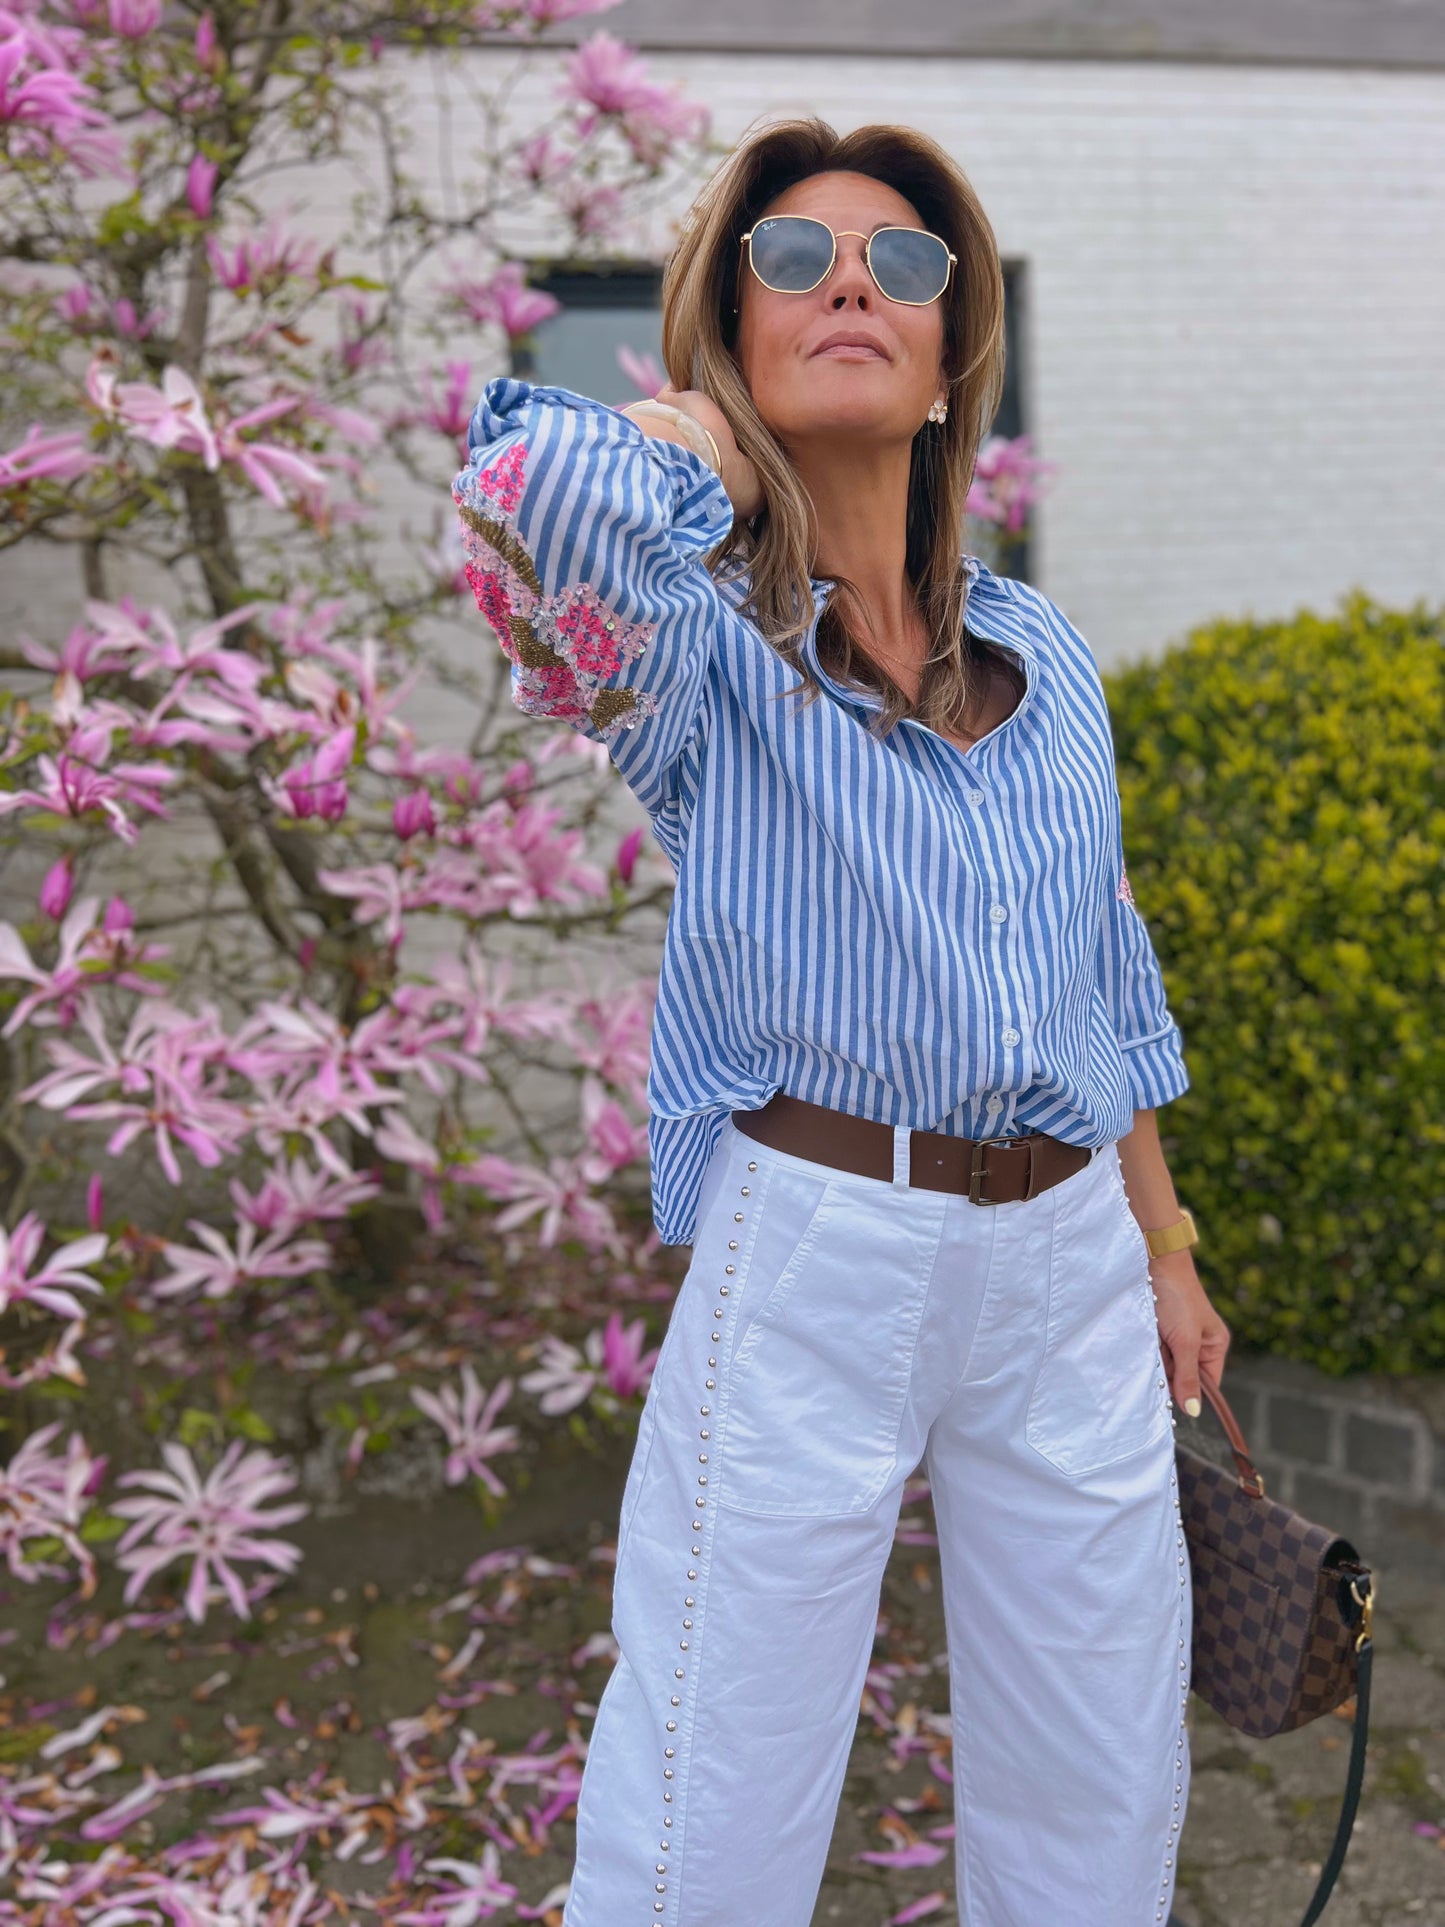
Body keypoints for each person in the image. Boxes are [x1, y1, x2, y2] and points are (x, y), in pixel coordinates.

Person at [452, 113, 1230, 1927]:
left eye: (902, 260)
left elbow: (1099, 972)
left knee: (1100, 1755)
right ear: (731, 323)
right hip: (819, 1245)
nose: (853, 279)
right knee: (709, 1777)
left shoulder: (1047, 659)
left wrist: (1163, 1241)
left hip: (1066, 1263)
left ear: (960, 347)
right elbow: (532, 500)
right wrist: (718, 434)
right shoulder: (692, 649)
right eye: (790, 263)